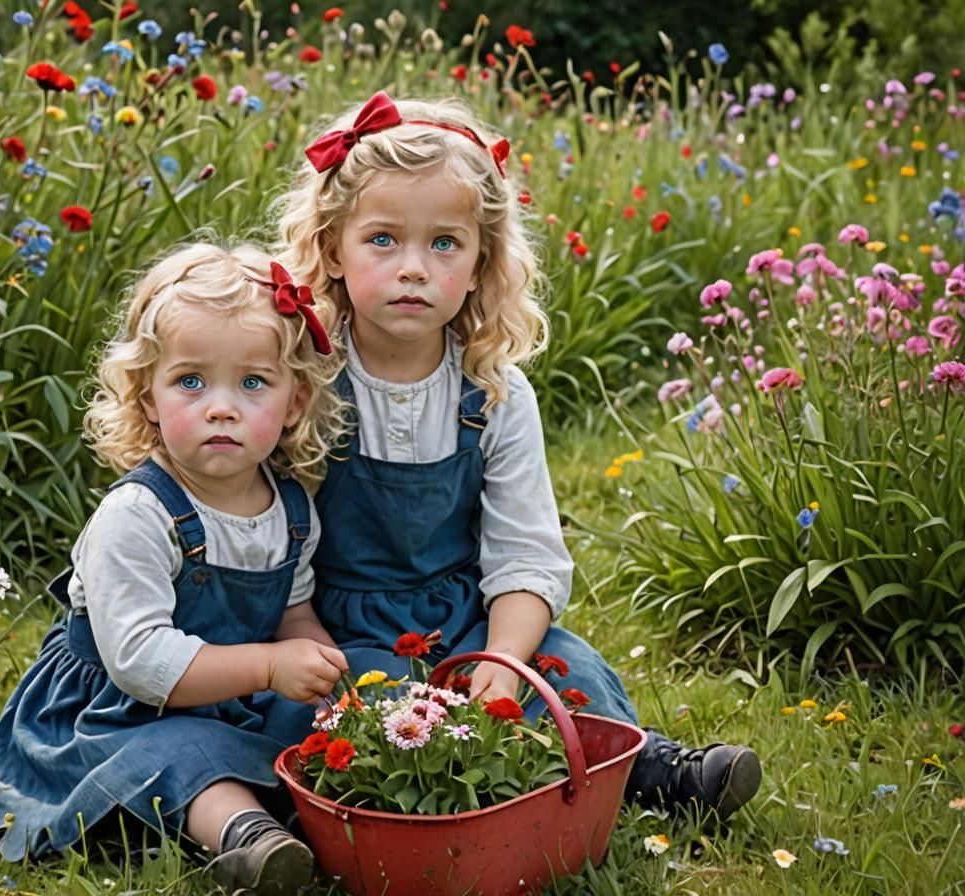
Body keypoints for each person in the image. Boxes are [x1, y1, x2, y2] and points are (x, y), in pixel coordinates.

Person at [274, 92, 762, 824]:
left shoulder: (493, 392)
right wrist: (304, 642)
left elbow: (525, 554)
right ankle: (401, 803)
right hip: (336, 627)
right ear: (333, 249)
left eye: (445, 243)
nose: (414, 267)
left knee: (567, 672)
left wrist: (502, 662)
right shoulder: (300, 382)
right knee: (352, 714)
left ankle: (651, 767)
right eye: (382, 239)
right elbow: (269, 539)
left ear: (480, 265)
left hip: (470, 615)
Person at [0, 242, 350, 895]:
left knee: (301, 724)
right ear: (147, 395)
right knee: (185, 754)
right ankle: (251, 841)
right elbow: (143, 664)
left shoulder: (291, 511)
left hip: (226, 699)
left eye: (252, 382)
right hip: (116, 715)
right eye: (190, 382)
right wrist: (265, 667)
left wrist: (318, 664)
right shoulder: (139, 516)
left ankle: (325, 808)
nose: (220, 407)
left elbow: (291, 610)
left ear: (294, 402)